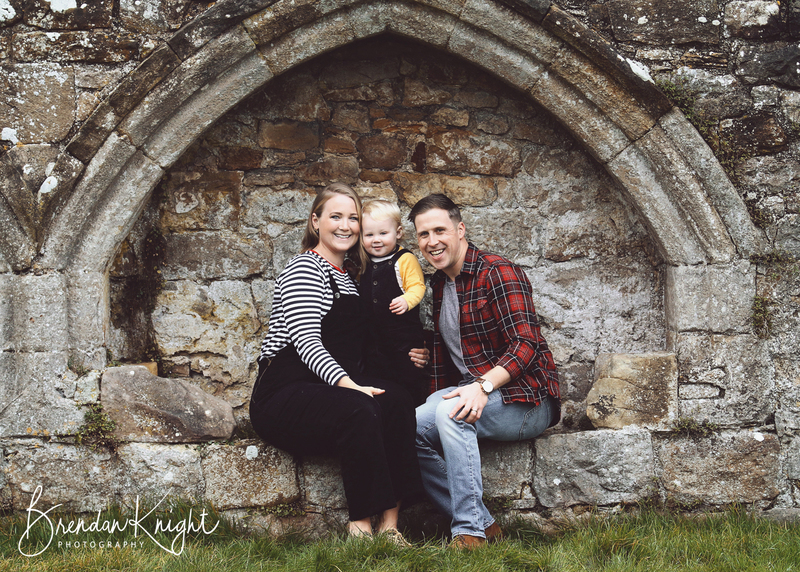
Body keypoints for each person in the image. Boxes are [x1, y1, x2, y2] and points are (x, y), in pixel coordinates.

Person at [249, 183, 423, 543]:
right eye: (336, 216)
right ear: (316, 222)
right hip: (283, 394)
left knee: (397, 400)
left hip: (329, 388)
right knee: (359, 407)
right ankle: (359, 527)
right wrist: (351, 386)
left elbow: (372, 339)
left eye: (353, 218)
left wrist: (418, 350)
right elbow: (306, 342)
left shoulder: (349, 276)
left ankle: (390, 526)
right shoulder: (304, 268)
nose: (346, 226)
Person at [408, 194, 560, 549]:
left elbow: (526, 343)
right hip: (474, 391)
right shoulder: (440, 284)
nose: (432, 241)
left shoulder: (497, 272)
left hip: (528, 400)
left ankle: (468, 533)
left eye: (440, 230)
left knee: (452, 411)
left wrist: (483, 385)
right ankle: (485, 523)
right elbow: (451, 358)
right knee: (405, 427)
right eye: (424, 234)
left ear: (460, 230)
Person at [359, 199, 429, 405]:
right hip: (374, 344)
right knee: (379, 384)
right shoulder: (364, 262)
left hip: (403, 343)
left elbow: (417, 286)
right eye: (369, 235)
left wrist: (407, 300)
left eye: (383, 233)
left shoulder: (405, 259)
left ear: (398, 232)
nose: (376, 240)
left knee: (408, 381)